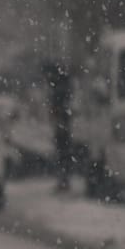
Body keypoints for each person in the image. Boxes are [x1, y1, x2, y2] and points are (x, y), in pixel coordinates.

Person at [42, 61, 73, 192]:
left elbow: (59, 107)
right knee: (63, 152)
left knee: (62, 152)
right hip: (63, 125)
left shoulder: (59, 89)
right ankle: (64, 179)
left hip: (62, 125)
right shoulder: (63, 86)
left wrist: (58, 120)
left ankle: (63, 180)